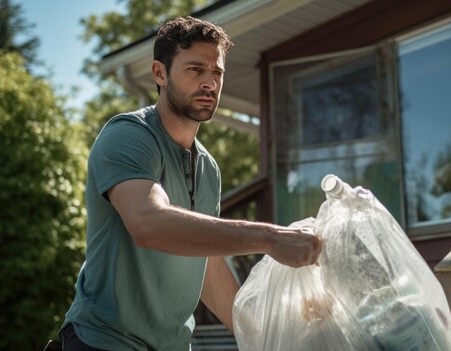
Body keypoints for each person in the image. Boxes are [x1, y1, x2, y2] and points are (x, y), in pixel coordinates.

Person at [56, 16, 322, 351]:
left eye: (217, 72)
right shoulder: (129, 136)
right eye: (195, 69)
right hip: (103, 342)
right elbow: (148, 224)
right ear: (160, 73)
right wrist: (268, 237)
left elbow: (207, 266)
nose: (210, 82)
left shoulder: (209, 168)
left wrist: (262, 339)